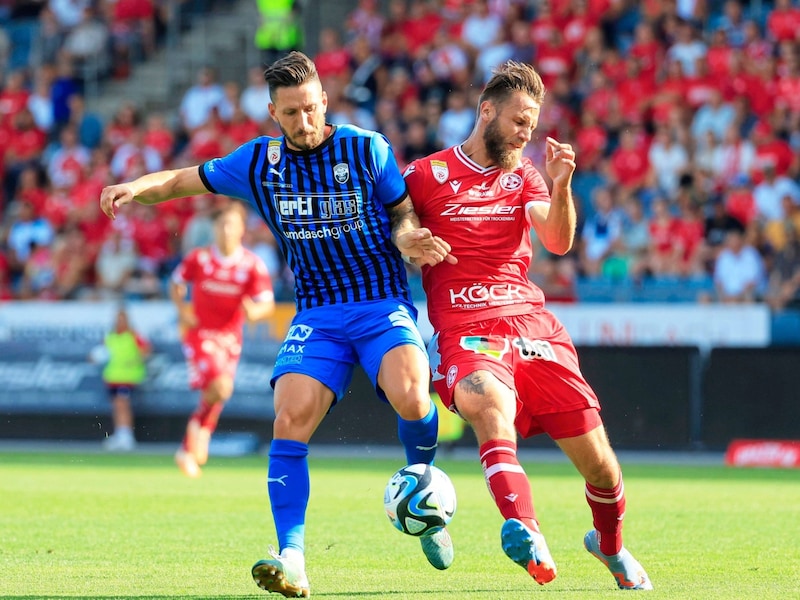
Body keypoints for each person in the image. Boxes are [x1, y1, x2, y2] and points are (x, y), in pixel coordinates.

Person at [99, 51, 454, 598]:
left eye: (311, 108)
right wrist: (133, 188)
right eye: (291, 113)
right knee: (289, 418)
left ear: (324, 101)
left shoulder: (367, 148)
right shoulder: (257, 163)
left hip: (381, 302)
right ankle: (292, 557)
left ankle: (426, 500)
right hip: (317, 312)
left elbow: (403, 212)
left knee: (413, 396)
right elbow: (180, 181)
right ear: (273, 112)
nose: (304, 122)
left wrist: (407, 237)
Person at [403, 60, 653, 591]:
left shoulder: (526, 176)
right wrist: (408, 241)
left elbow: (558, 240)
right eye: (519, 120)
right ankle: (526, 530)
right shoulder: (426, 175)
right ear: (486, 110)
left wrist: (562, 186)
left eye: (532, 124)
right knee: (488, 406)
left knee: (602, 469)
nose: (526, 132)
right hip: (467, 328)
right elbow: (393, 229)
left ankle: (609, 546)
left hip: (534, 327)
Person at [169, 201, 276, 478]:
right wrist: (183, 310)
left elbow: (267, 304)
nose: (226, 230)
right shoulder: (199, 258)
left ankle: (191, 443)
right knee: (220, 386)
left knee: (220, 391)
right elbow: (176, 282)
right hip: (200, 334)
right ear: (214, 228)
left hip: (230, 338)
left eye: (232, 225)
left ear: (242, 230)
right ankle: (199, 436)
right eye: (221, 224)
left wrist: (255, 313)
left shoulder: (252, 265)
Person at [89, 306, 151, 451]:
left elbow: (146, 350)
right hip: (113, 377)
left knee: (122, 404)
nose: (120, 321)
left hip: (128, 377)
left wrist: (136, 361)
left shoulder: (133, 335)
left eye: (122, 318)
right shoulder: (110, 336)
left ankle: (126, 436)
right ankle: (120, 434)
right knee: (117, 406)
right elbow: (101, 353)